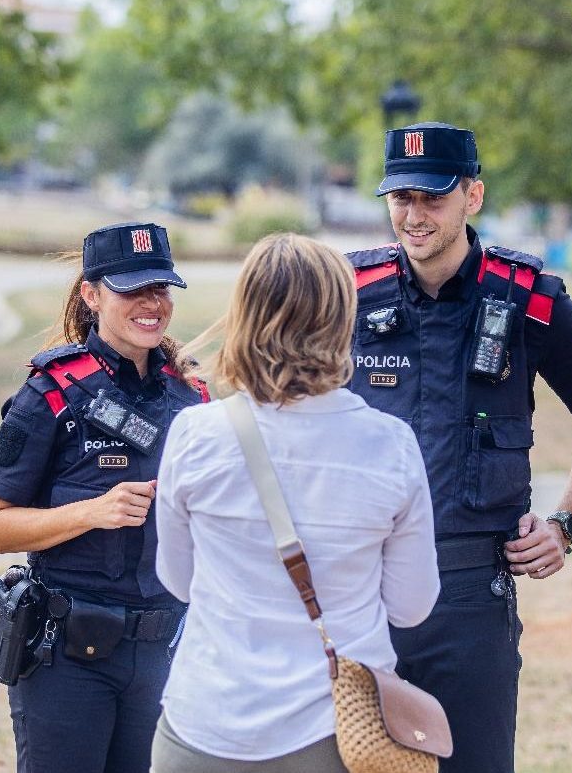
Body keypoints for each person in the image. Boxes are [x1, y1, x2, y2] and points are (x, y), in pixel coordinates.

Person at [346, 122, 572, 773]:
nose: (413, 215)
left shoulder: (528, 298)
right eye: (400, 199)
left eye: (432, 198)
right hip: (361, 592)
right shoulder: (344, 295)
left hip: (471, 597)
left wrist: (564, 523)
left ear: (471, 196)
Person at [151, 233, 440, 772]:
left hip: (205, 723)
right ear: (340, 321)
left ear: (244, 316)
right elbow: (411, 606)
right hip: (336, 731)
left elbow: (177, 580)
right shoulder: (390, 445)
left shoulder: (195, 433)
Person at [0, 221, 209, 773]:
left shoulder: (192, 397)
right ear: (91, 294)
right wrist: (91, 512)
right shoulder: (48, 394)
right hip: (67, 660)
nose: (151, 304)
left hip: (162, 654)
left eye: (161, 288)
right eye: (132, 289)